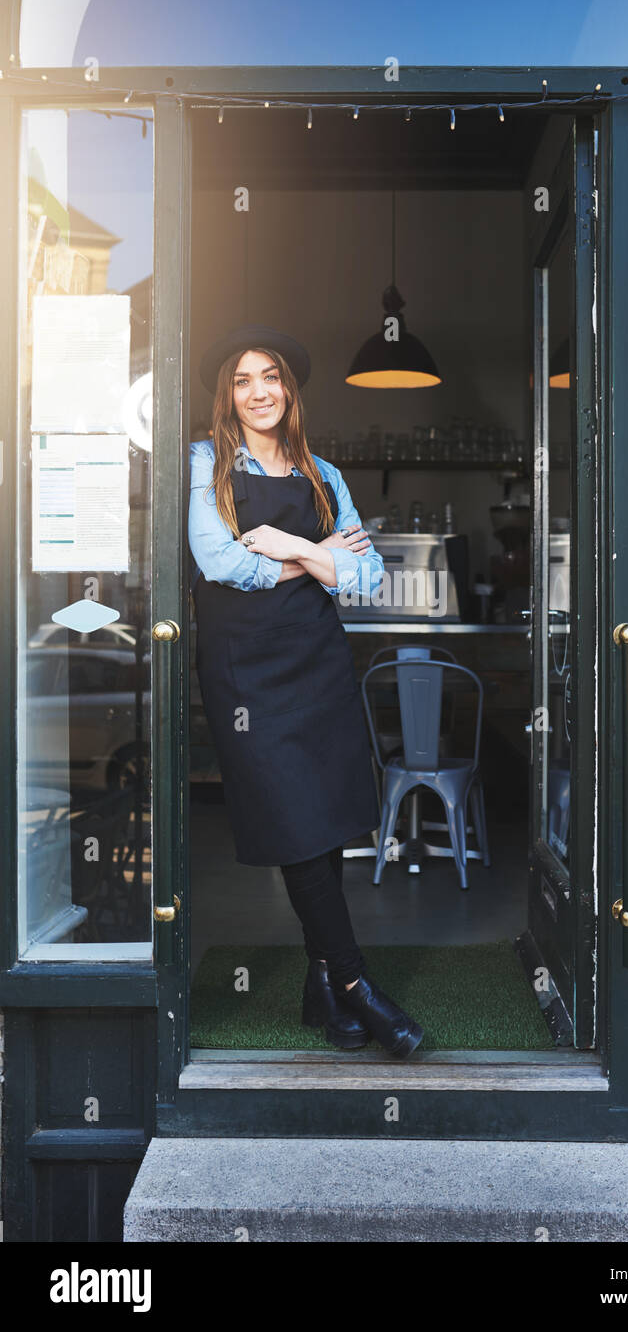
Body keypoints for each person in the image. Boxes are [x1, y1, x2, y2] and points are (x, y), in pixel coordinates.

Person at [188, 324, 423, 1059]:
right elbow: (218, 560)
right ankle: (354, 983)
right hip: (244, 671)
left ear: (289, 389)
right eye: (242, 380)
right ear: (228, 394)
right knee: (294, 820)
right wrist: (316, 559)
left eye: (272, 377)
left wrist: (291, 546)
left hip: (315, 661)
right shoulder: (205, 463)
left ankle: (322, 984)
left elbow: (367, 576)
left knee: (321, 821)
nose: (259, 391)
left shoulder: (322, 473)